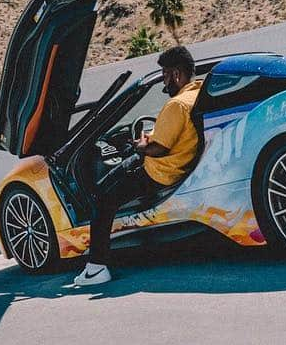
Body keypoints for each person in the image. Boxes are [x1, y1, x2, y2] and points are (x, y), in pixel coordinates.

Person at [72, 45, 203, 287]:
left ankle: (96, 268)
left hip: (158, 172)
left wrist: (140, 145)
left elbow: (158, 149)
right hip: (177, 165)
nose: (164, 82)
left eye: (165, 75)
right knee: (115, 178)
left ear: (176, 74)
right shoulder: (197, 93)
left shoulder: (176, 105)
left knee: (102, 198)